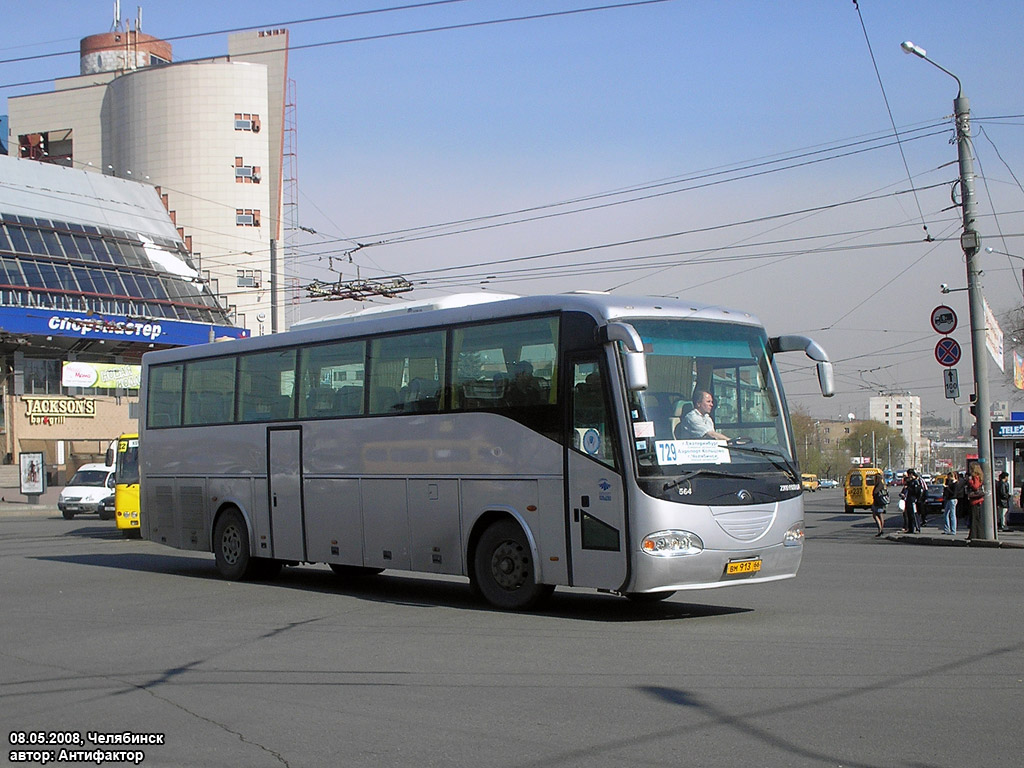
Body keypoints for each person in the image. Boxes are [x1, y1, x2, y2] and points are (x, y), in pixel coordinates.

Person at [900, 469, 923, 534]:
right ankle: (910, 529)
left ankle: (917, 528)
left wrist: (917, 499)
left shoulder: (915, 482)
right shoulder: (910, 481)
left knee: (914, 515)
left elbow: (916, 491)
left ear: (911, 474)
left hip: (913, 500)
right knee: (909, 515)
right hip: (908, 500)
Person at [966, 465, 985, 541]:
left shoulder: (975, 477)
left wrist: (970, 481)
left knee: (974, 519)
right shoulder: (979, 476)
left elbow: (975, 486)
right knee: (976, 518)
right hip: (977, 501)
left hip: (975, 501)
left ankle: (974, 535)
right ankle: (977, 534)